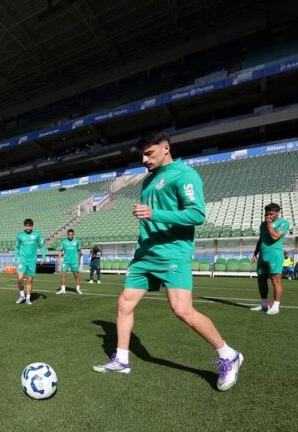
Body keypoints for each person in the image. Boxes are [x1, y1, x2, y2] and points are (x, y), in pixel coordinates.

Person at [92, 131, 243, 392]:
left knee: (182, 310)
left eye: (148, 153)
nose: (144, 159)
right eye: (141, 154)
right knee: (124, 302)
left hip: (172, 253)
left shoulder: (185, 174)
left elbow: (196, 214)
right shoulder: (148, 182)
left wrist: (154, 213)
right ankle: (122, 359)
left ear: (166, 148)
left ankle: (228, 354)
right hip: (145, 255)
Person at [250, 203, 291, 315]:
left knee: (275, 279)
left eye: (271, 214)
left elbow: (275, 237)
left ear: (277, 212)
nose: (268, 217)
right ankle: (264, 304)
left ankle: (275, 306)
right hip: (263, 255)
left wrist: (269, 225)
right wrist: (255, 253)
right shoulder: (262, 224)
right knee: (261, 280)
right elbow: (261, 239)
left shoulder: (284, 223)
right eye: (266, 215)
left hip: (275, 255)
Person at [14, 218, 46, 305]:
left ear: (32, 226)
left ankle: (28, 298)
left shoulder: (37, 234)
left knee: (29, 280)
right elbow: (17, 247)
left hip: (32, 261)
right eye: (26, 226)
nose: (28, 228)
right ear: (24, 226)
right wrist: (15, 259)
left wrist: (43, 257)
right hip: (22, 260)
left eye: (29, 226)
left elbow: (42, 246)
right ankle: (21, 295)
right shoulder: (20, 235)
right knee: (19, 280)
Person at [57, 229, 82, 295]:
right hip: (66, 261)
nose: (70, 236)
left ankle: (78, 289)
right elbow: (60, 251)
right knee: (63, 275)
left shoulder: (77, 241)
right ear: (67, 235)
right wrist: (59, 259)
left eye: (71, 234)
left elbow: (79, 252)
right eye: (69, 234)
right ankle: (63, 289)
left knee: (76, 276)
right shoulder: (63, 242)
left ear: (73, 235)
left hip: (74, 261)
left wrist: (79, 260)